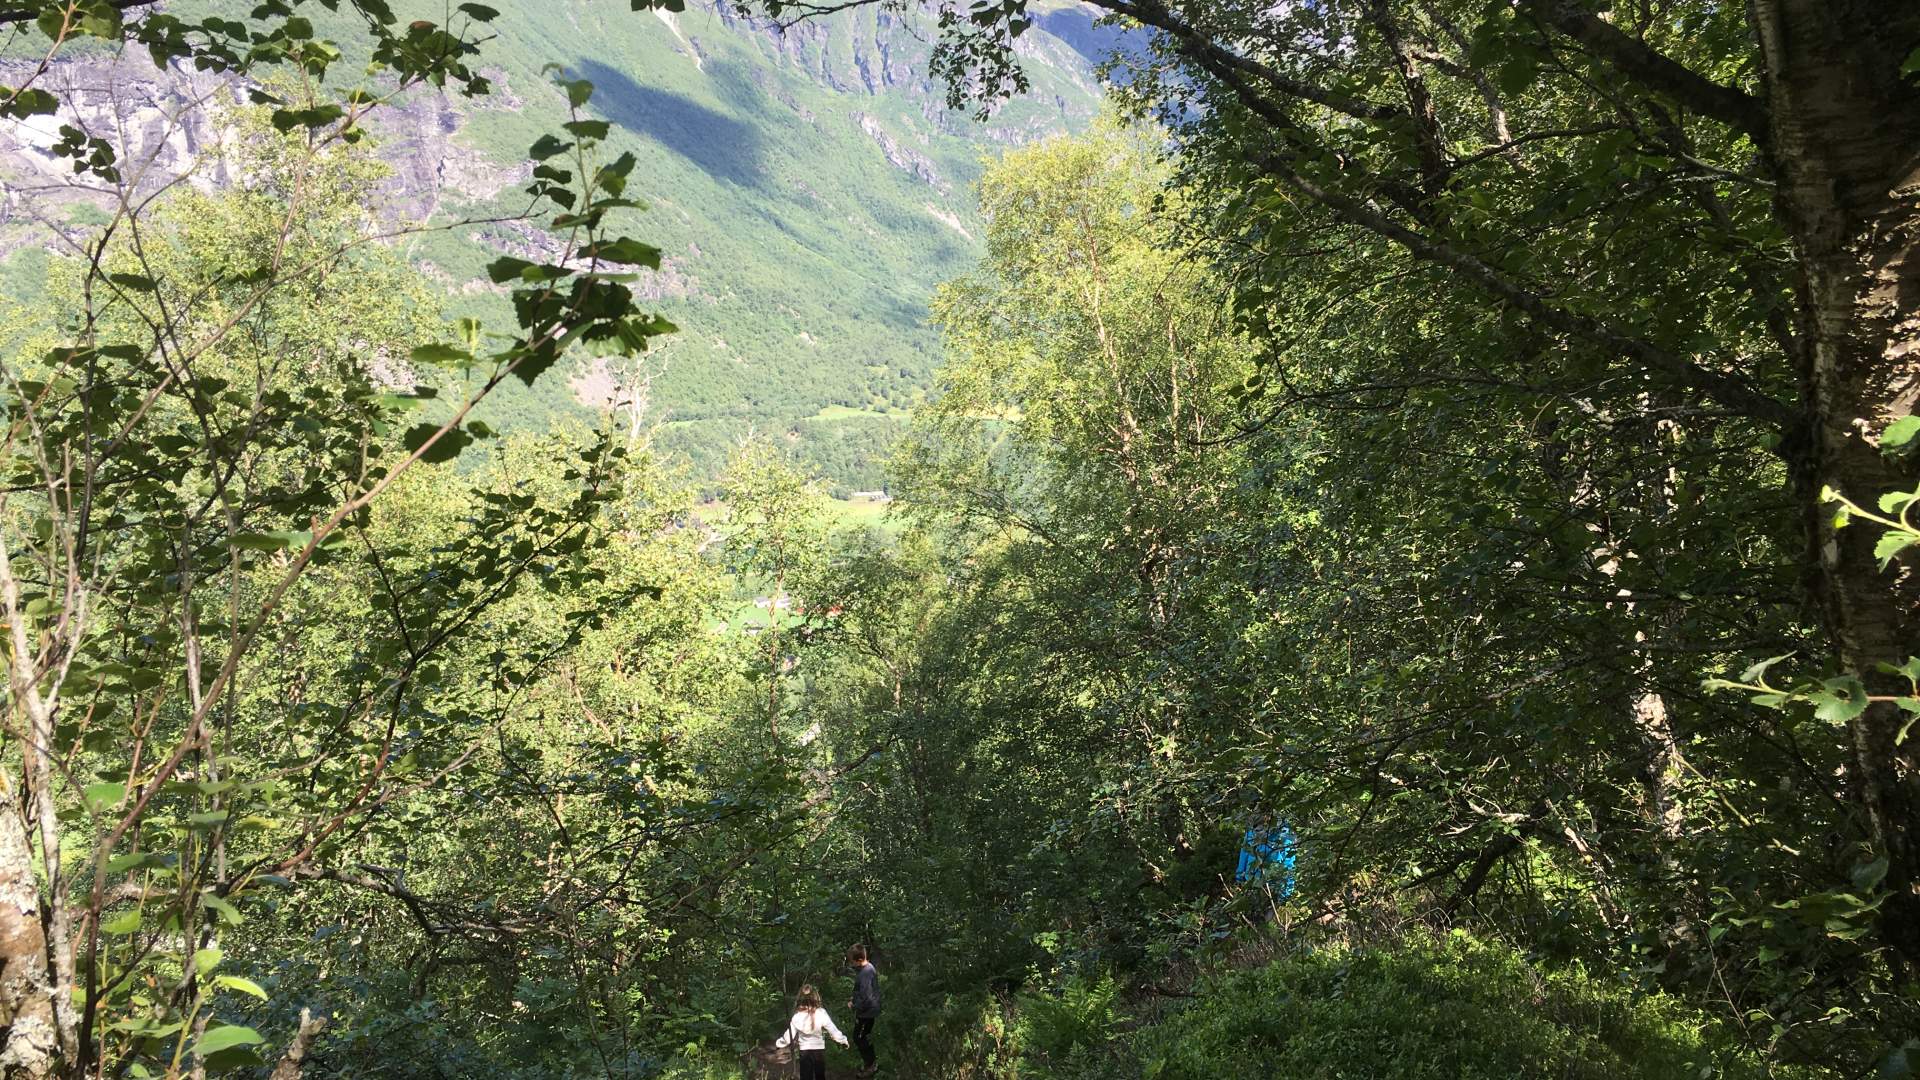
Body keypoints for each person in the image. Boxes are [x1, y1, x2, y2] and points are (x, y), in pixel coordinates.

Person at [773, 984, 848, 1080]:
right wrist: (843, 1040)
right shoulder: (821, 1013)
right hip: (819, 1051)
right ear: (815, 997)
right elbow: (833, 1030)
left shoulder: (797, 1016)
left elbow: (789, 1036)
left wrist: (779, 1043)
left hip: (804, 1052)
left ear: (800, 998)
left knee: (806, 1076)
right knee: (820, 1076)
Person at [846, 944, 881, 1077]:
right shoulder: (866, 969)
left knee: (859, 1037)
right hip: (866, 1010)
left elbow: (866, 997)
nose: (851, 963)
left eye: (852, 961)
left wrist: (853, 1005)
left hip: (867, 1012)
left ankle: (871, 1066)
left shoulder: (866, 972)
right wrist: (854, 998)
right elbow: (862, 992)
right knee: (861, 1036)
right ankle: (869, 1064)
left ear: (859, 959)